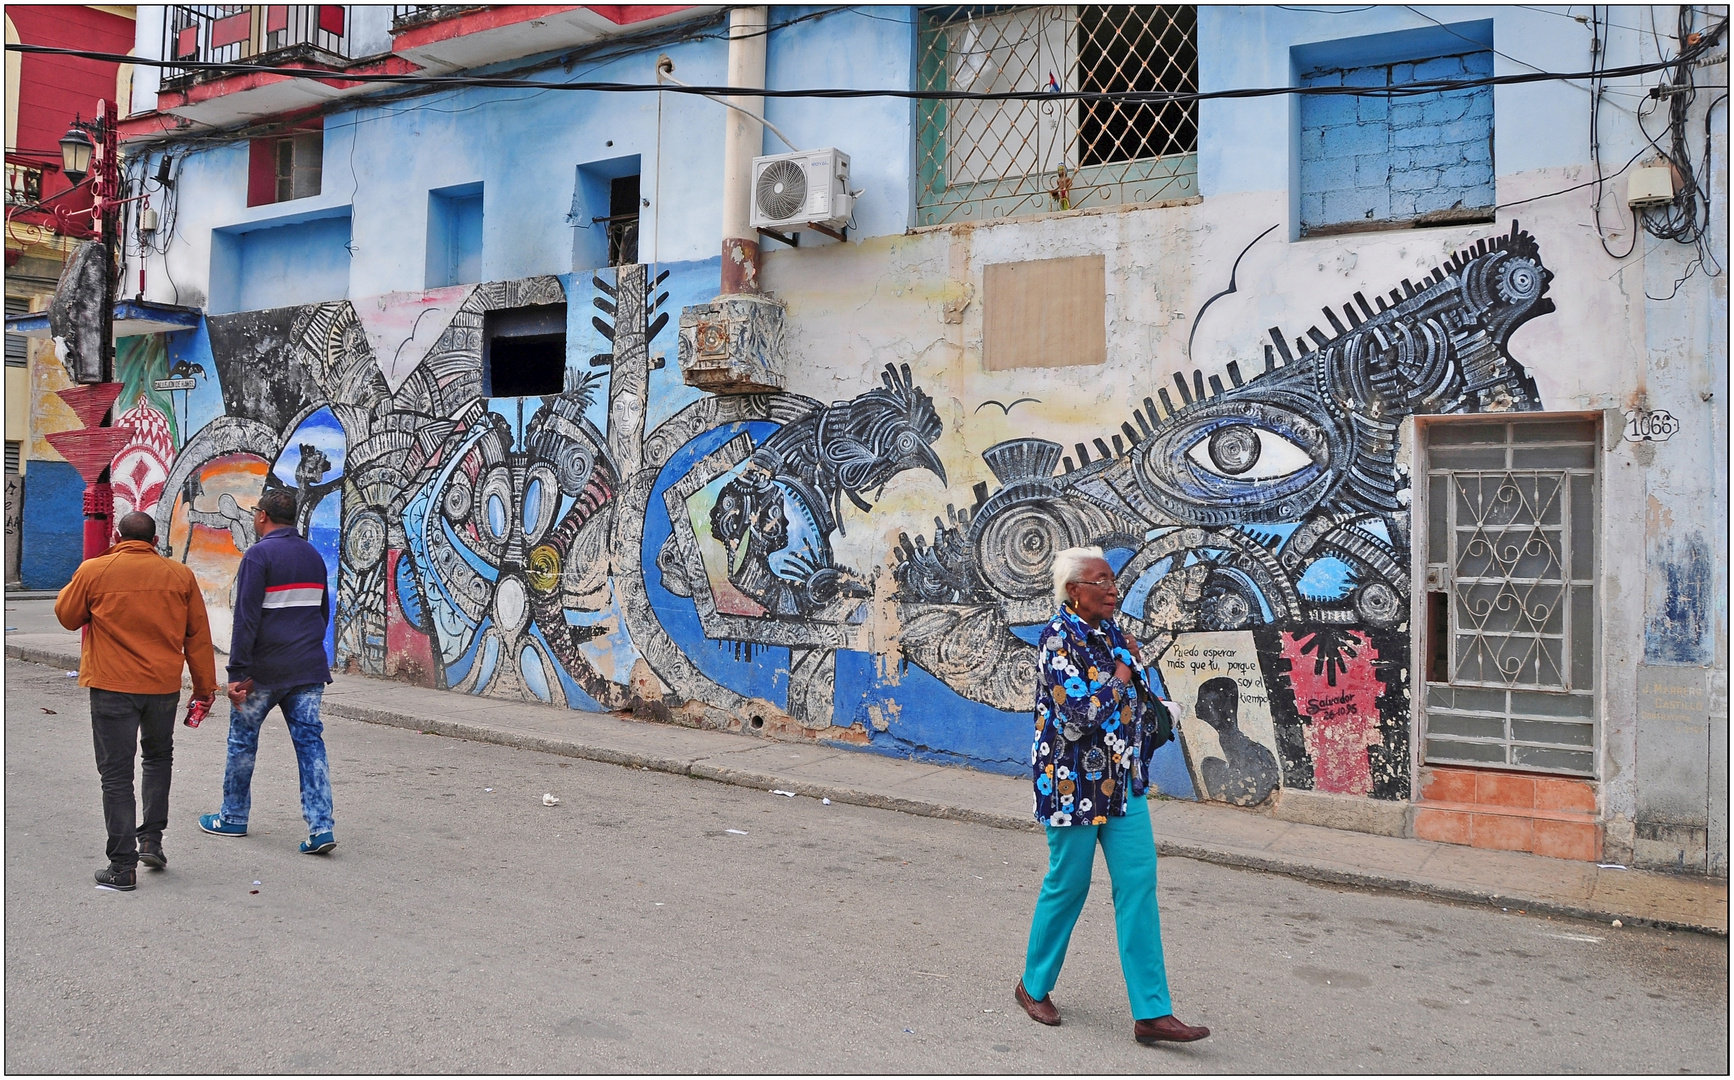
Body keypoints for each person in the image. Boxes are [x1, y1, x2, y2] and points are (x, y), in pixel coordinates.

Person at [1014, 546, 1210, 1045]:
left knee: (1138, 886)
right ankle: (1032, 986)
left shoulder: (1113, 636)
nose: (1112, 589)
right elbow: (1077, 718)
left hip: (1122, 784)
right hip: (1071, 784)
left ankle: (1152, 1012)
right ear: (1074, 591)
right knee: (1069, 885)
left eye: (1113, 581)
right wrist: (1123, 675)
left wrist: (1144, 693)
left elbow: (1128, 702)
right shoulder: (1057, 639)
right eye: (1100, 581)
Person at [55, 511, 218, 892]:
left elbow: (67, 615)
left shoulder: (95, 570)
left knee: (116, 774)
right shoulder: (180, 576)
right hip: (162, 688)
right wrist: (204, 687)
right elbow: (197, 636)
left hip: (112, 686)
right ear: (155, 540)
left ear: (116, 536)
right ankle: (151, 841)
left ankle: (122, 865)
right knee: (158, 758)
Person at [197, 488, 338, 854]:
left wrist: (236, 673)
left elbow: (246, 619)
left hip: (261, 672)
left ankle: (233, 817)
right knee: (310, 745)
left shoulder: (259, 555)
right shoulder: (312, 555)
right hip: (307, 669)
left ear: (262, 517)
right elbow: (322, 612)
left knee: (242, 742)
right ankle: (321, 827)